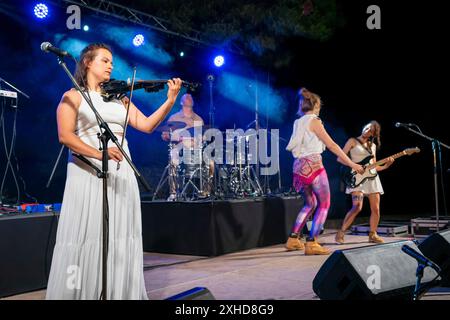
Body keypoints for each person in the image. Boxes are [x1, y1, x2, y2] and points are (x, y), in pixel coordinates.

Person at [46, 43, 182, 299]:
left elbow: (146, 125)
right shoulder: (72, 96)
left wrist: (170, 100)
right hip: (87, 171)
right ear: (87, 62)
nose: (111, 65)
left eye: (112, 62)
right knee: (86, 234)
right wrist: (100, 154)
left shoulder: (120, 98)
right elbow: (64, 136)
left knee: (121, 234)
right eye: (105, 60)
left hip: (121, 171)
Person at [285, 88, 364, 255]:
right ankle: (312, 242)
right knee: (324, 204)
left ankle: (293, 238)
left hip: (298, 167)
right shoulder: (315, 121)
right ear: (316, 106)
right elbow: (332, 145)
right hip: (313, 166)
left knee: (310, 204)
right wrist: (352, 163)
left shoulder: (298, 122)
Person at [335, 121, 394, 244]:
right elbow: (340, 158)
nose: (367, 130)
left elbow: (374, 166)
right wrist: (354, 165)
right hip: (357, 178)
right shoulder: (352, 141)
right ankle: (341, 232)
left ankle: (373, 234)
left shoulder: (372, 146)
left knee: (376, 209)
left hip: (372, 178)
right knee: (357, 206)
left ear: (373, 133)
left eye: (370, 130)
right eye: (366, 127)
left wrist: (386, 166)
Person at [161, 93, 204, 200]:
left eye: (191, 97)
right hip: (179, 148)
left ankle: (204, 192)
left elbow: (203, 137)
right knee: (173, 160)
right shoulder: (174, 117)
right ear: (181, 102)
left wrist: (200, 139)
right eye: (186, 97)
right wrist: (171, 136)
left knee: (211, 164)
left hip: (196, 150)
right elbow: (165, 135)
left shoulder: (199, 119)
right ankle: (173, 193)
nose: (189, 98)